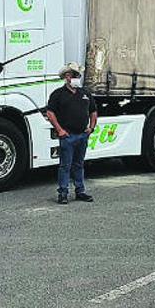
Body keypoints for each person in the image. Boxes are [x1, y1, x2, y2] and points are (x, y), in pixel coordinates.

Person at [46, 62, 97, 205]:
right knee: (65, 165)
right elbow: (50, 113)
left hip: (82, 134)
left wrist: (91, 128)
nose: (77, 78)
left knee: (79, 164)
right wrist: (60, 130)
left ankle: (80, 191)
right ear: (67, 76)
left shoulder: (85, 93)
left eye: (78, 75)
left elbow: (93, 111)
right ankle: (63, 193)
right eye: (75, 75)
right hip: (68, 136)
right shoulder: (58, 94)